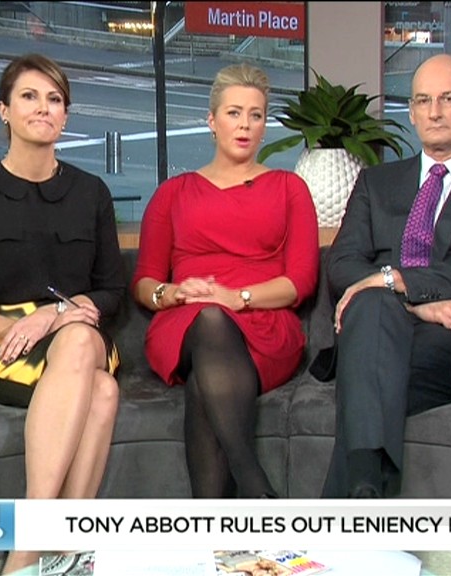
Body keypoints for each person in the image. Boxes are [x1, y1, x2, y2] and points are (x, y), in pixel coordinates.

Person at [0, 53, 126, 574]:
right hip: (2, 347)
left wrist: (53, 316)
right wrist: (23, 325)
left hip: (77, 331)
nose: (43, 107)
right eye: (29, 96)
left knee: (79, 341)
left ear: (65, 115)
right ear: (3, 110)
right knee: (102, 391)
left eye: (54, 99)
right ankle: (63, 551)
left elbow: (111, 291)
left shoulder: (91, 193)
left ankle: (32, 546)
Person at [319, 54, 451, 499]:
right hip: (379, 329)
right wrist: (415, 304)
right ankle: (364, 495)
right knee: (374, 313)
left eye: (448, 98)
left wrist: (399, 283)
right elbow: (342, 264)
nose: (434, 111)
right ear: (413, 113)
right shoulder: (376, 182)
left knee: (369, 373)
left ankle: (354, 499)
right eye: (423, 100)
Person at [132, 63, 319, 499]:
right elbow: (144, 281)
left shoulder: (289, 188)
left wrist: (239, 298)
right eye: (234, 113)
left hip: (263, 323)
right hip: (186, 320)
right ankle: (254, 483)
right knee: (210, 320)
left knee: (206, 379)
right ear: (212, 121)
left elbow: (301, 281)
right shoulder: (173, 192)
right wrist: (171, 293)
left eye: (256, 115)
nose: (245, 125)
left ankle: (220, 521)